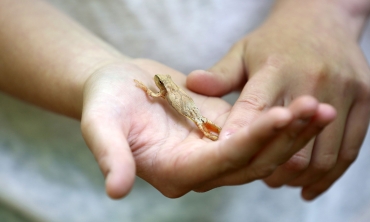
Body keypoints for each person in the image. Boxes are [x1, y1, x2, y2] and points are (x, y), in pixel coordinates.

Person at [0, 0, 369, 220]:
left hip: (322, 204)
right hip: (35, 199)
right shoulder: (163, 91)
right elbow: (159, 93)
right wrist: (99, 72)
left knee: (199, 121)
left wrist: (331, 12)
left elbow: (171, 98)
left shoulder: (170, 94)